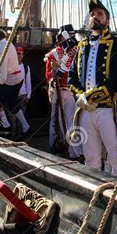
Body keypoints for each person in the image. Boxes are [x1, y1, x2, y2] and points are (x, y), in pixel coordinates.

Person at [68, 0, 117, 176]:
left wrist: (89, 97)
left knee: (114, 157)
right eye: (92, 14)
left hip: (107, 108)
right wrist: (80, 97)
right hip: (85, 110)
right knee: (90, 157)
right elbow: (72, 77)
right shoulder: (81, 45)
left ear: (107, 20)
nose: (95, 17)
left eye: (100, 14)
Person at [45, 24, 80, 159]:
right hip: (68, 91)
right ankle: (73, 152)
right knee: (70, 122)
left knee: (62, 122)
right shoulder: (78, 51)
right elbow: (50, 76)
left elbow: (49, 76)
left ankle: (61, 148)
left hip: (64, 91)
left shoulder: (54, 53)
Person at [0, 28, 30, 138]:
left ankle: (5, 125)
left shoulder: (1, 47)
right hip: (18, 79)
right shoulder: (8, 44)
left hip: (10, 79)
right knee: (12, 103)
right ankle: (26, 126)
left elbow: (2, 67)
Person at [16, 47, 32, 113]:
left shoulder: (26, 67)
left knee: (22, 118)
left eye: (22, 54)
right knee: (12, 117)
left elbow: (28, 82)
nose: (20, 55)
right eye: (18, 53)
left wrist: (28, 96)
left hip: (23, 96)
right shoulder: (11, 66)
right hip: (13, 96)